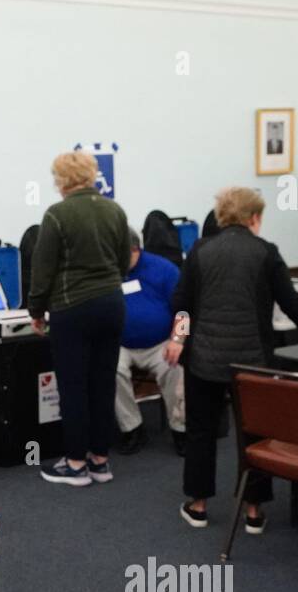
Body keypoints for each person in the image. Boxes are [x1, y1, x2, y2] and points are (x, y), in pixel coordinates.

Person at [166, 186, 298, 532]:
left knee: (200, 432)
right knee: (255, 433)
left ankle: (198, 506)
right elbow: (289, 300)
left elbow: (182, 303)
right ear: (254, 217)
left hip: (204, 362)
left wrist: (178, 338)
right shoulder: (266, 252)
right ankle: (253, 511)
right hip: (252, 363)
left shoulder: (199, 250)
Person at [27, 151, 129, 486]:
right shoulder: (114, 210)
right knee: (103, 382)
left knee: (73, 386)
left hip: (72, 308)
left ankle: (74, 464)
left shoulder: (57, 215)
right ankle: (101, 460)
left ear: (61, 180)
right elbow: (123, 261)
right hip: (112, 303)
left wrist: (36, 312)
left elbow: (42, 271)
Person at [114, 228, 185, 456]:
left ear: (136, 249)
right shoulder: (108, 270)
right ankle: (132, 428)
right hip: (121, 343)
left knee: (175, 367)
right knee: (109, 368)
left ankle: (181, 429)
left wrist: (178, 339)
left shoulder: (164, 269)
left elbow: (185, 310)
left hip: (161, 342)